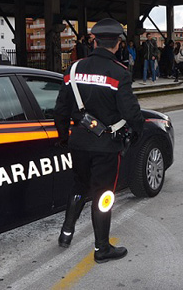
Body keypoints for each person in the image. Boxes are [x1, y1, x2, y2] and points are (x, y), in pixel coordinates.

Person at [54, 18, 144, 263]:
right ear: (117, 44)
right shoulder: (119, 73)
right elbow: (131, 112)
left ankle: (66, 233)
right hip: (106, 145)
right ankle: (102, 248)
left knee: (79, 186)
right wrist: (137, 132)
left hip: (79, 142)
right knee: (104, 195)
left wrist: (63, 136)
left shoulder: (73, 70)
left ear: (94, 41)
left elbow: (61, 109)